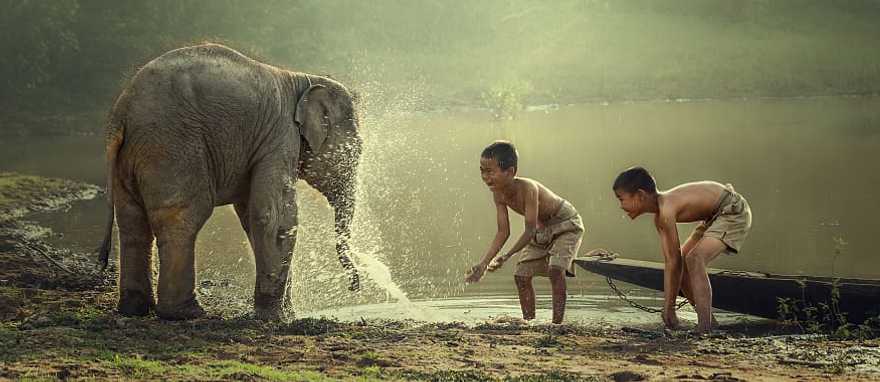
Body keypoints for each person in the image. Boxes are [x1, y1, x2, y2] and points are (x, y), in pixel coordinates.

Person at [612, 166, 752, 333]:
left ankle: (704, 327)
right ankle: (710, 322)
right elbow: (672, 261)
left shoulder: (666, 210)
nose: (621, 206)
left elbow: (673, 262)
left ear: (641, 195)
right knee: (685, 260)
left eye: (621, 199)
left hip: (731, 210)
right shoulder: (661, 217)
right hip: (712, 216)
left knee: (694, 258)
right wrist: (668, 306)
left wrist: (669, 307)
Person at [466, 141, 584, 324]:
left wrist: (507, 256)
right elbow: (503, 232)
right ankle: (529, 323)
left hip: (565, 224)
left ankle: (557, 325)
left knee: (555, 270)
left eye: (490, 171)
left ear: (510, 172)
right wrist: (483, 264)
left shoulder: (528, 188)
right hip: (541, 229)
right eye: (482, 170)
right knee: (521, 275)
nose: (485, 177)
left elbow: (529, 229)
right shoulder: (498, 194)